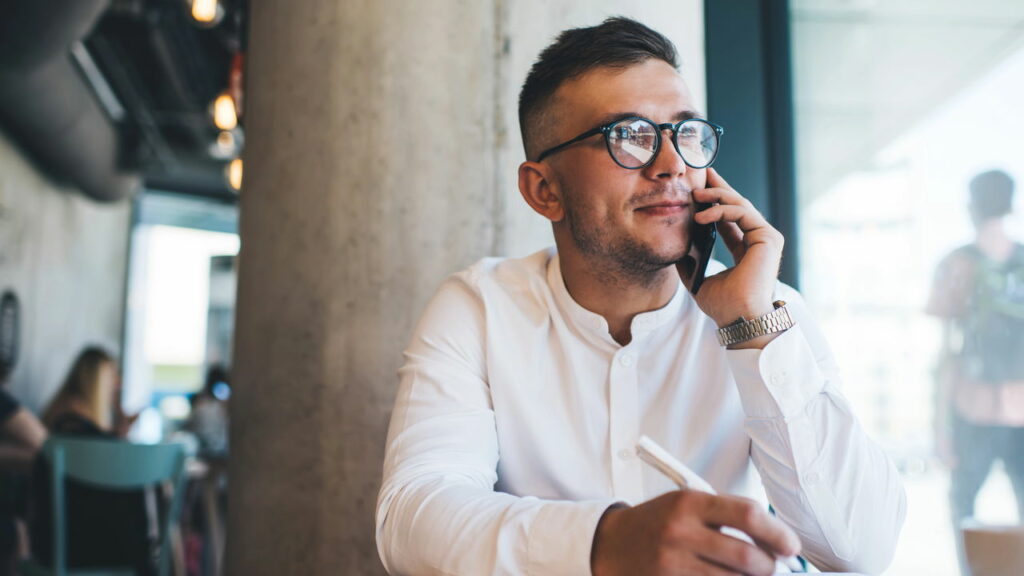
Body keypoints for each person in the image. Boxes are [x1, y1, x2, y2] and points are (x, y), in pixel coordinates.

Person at [376, 17, 905, 576]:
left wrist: (751, 326)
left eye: (686, 133)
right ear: (544, 189)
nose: (673, 164)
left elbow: (858, 550)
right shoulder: (480, 308)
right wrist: (604, 541)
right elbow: (413, 520)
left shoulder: (770, 311)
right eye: (628, 135)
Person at [926, 169, 1024, 574]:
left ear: (973, 204)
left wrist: (939, 425)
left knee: (962, 510)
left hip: (971, 409)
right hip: (1022, 408)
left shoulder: (956, 263)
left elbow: (946, 353)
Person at [31, 347, 154, 575]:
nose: (117, 386)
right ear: (98, 381)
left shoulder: (60, 418)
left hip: (59, 548)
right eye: (112, 379)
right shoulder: (74, 426)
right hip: (107, 552)